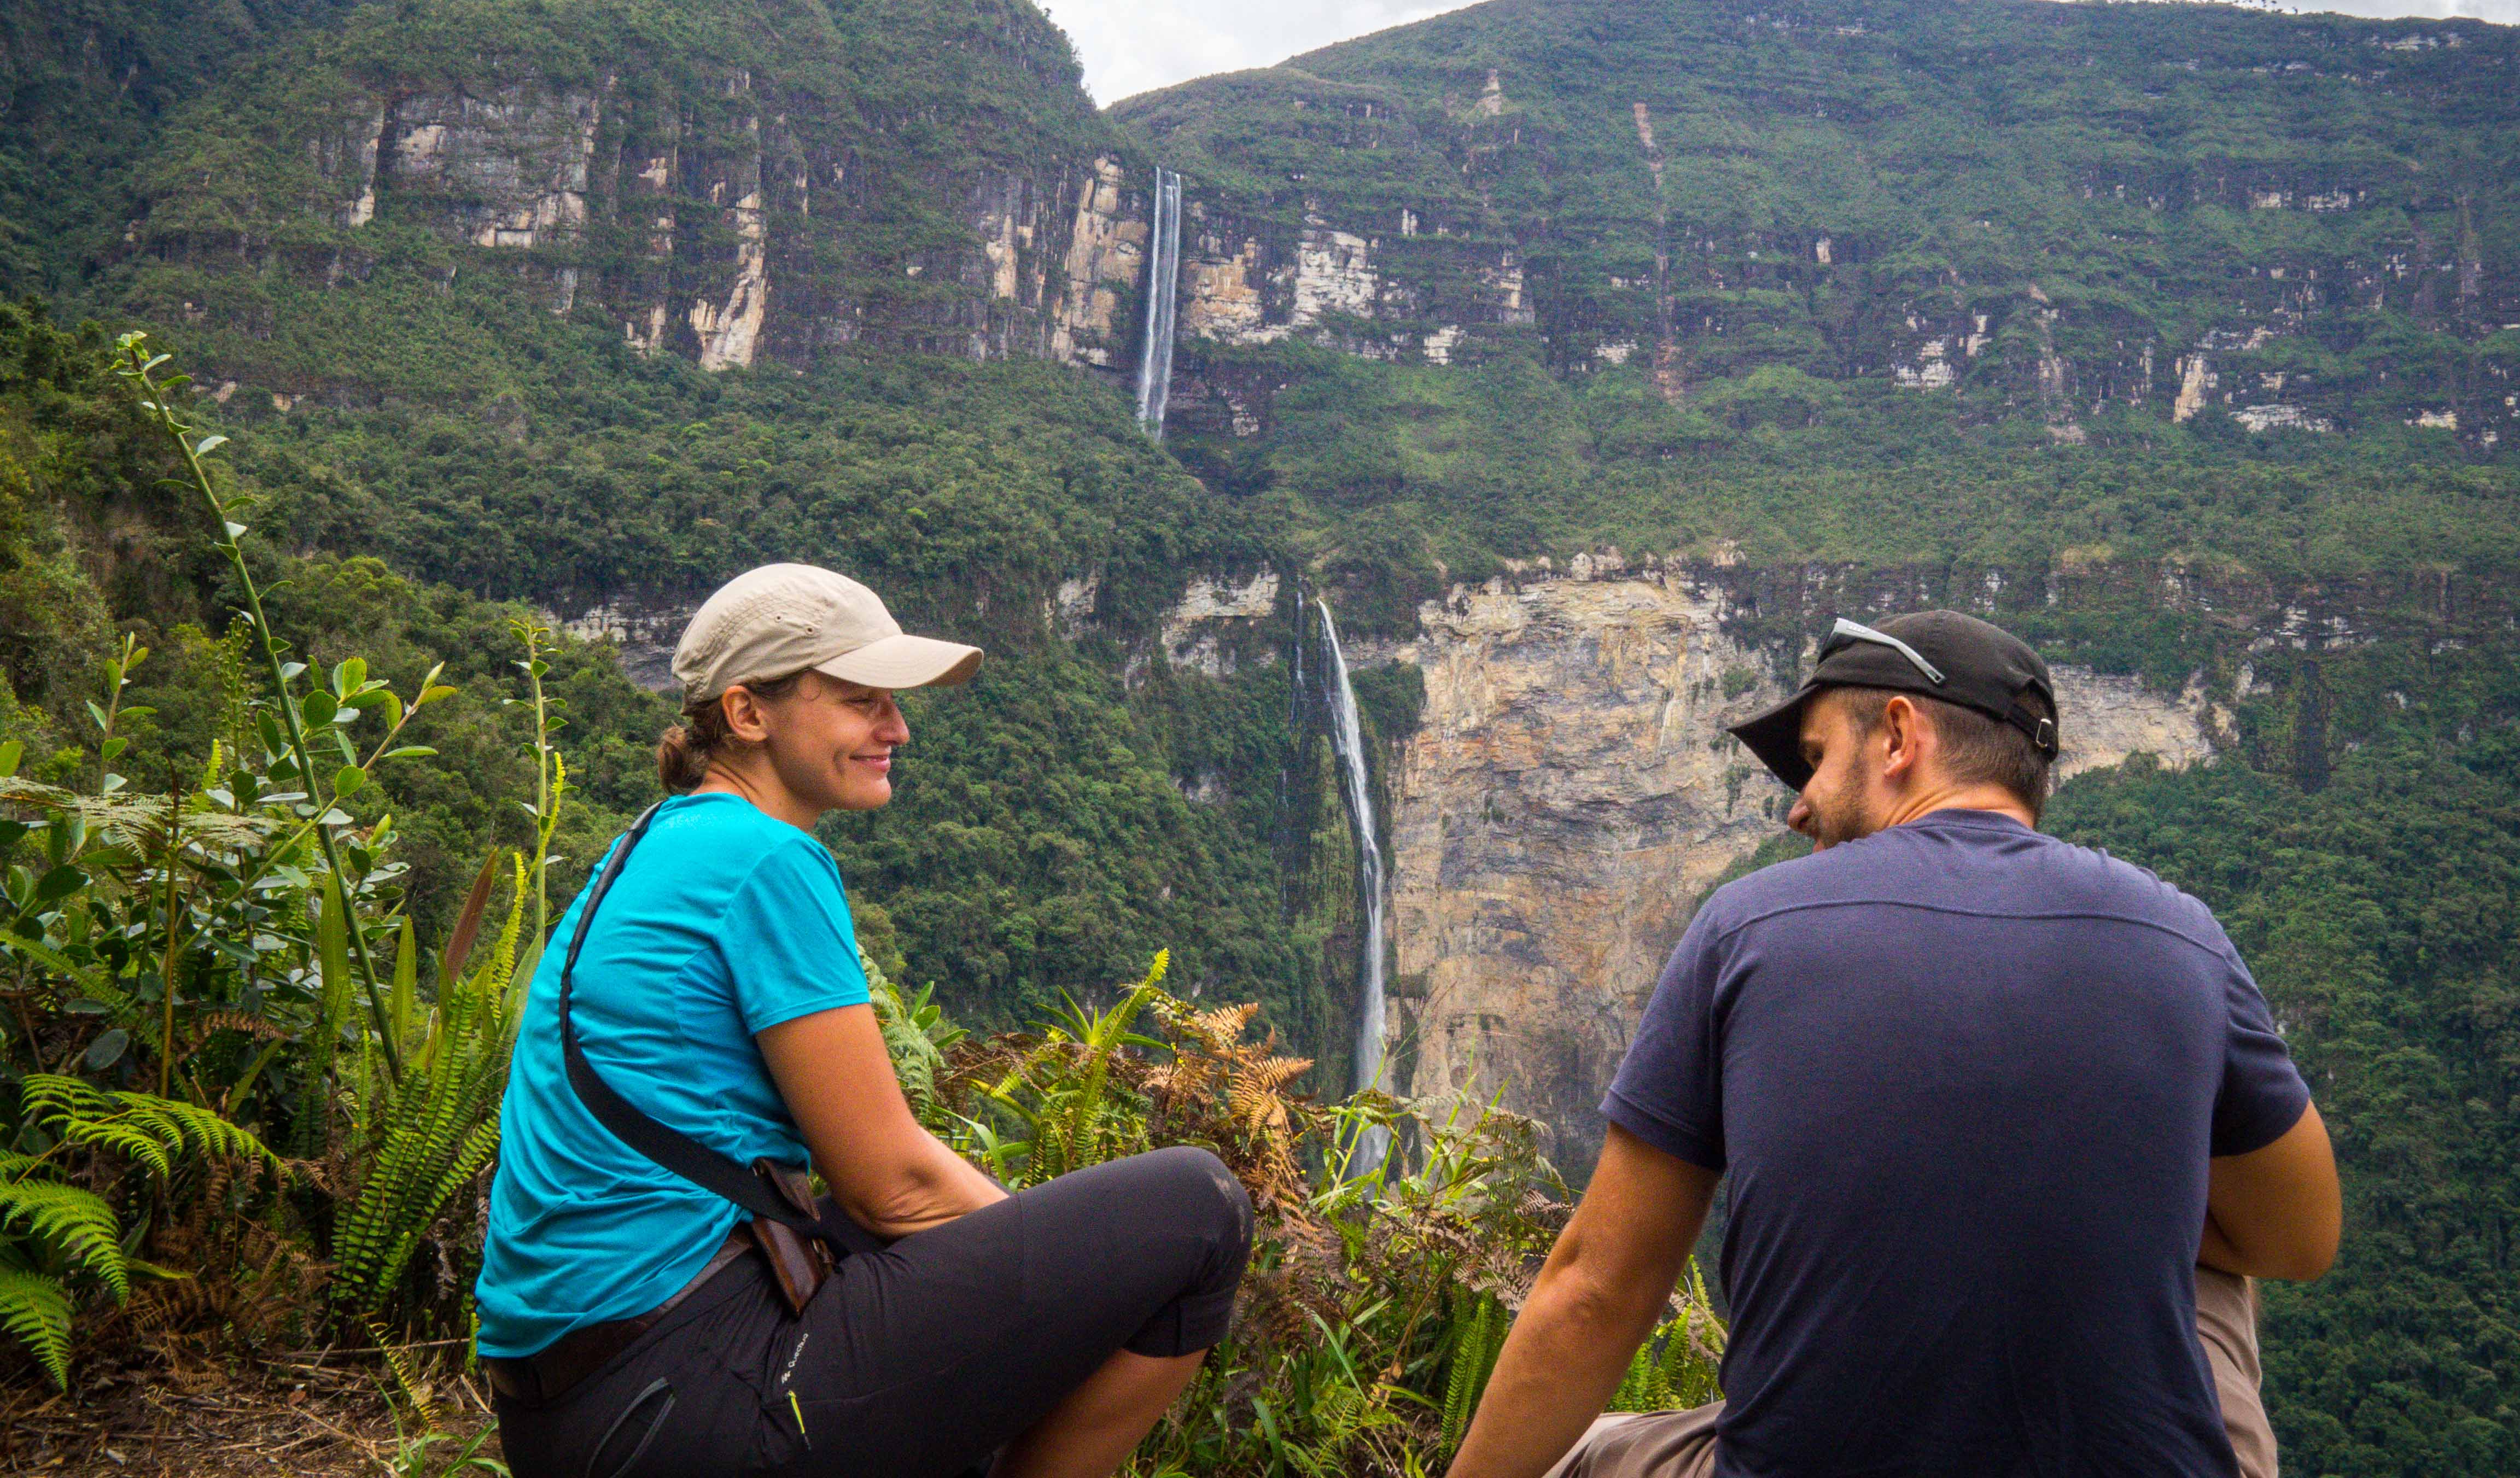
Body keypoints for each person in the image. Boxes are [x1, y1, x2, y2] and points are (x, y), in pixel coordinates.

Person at [1450, 610, 2340, 1478]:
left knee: (1591, 1446)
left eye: (1816, 759)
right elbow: (2300, 1240)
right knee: (2213, 1266)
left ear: (1899, 737)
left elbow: (1598, 1292)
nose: (1798, 809)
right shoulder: (2183, 937)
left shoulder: (1746, 927)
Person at [476, 564, 1252, 1478]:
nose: (897, 728)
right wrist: (1077, 1282)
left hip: (568, 1411)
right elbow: (893, 1185)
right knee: (1199, 1209)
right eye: (859, 701)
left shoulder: (651, 843)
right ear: (748, 713)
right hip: (678, 1395)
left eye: (893, 701)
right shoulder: (764, 858)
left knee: (885, 1255)